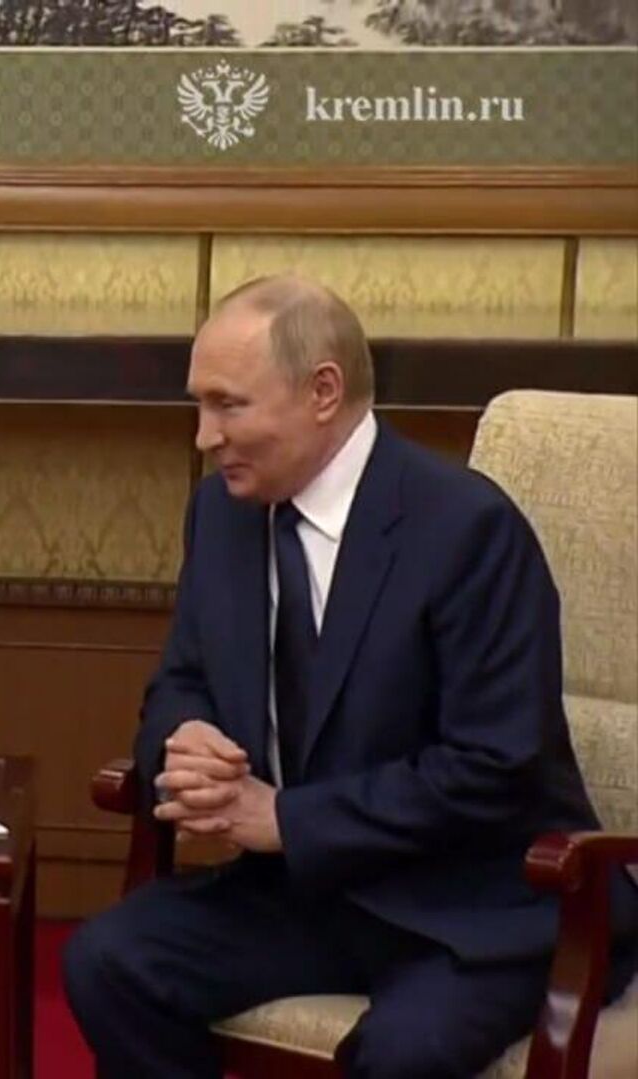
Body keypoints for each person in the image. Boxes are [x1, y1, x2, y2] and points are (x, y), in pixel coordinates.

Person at [62, 274, 636, 1078]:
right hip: (304, 890)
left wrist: (287, 817)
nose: (204, 436)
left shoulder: (465, 529)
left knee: (400, 1052)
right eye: (199, 405)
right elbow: (181, 680)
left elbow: (493, 765)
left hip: (471, 903)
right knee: (110, 961)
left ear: (322, 392)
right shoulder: (221, 513)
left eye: (228, 406)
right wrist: (184, 739)